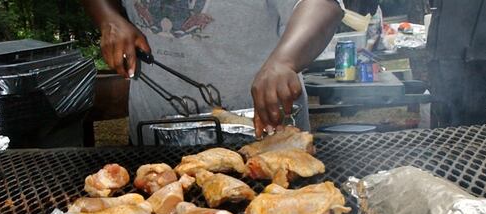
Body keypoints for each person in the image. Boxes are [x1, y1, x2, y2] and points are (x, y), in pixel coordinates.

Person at [83, 0, 343, 144]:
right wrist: (108, 17)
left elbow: (322, 5)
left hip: (261, 140)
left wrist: (284, 61)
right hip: (152, 141)